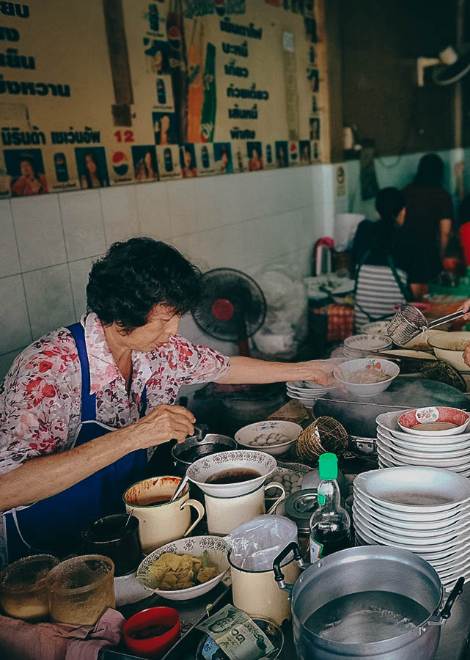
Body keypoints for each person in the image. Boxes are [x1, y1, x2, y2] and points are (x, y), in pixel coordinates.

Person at [0, 238, 332, 563]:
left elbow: (225, 367)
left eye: (176, 318)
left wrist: (309, 369)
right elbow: (7, 489)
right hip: (45, 556)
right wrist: (134, 436)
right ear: (121, 313)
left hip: (123, 536)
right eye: (163, 320)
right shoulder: (48, 369)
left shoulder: (158, 351)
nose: (173, 331)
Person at [352, 187, 413, 331]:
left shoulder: (363, 230)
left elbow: (352, 267)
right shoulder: (407, 239)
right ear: (403, 211)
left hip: (363, 327)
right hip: (395, 330)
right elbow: (418, 291)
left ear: (377, 210)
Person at [402, 153, 453, 297]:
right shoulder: (442, 196)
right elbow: (445, 232)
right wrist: (441, 256)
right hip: (428, 252)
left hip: (405, 250)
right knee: (430, 296)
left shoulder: (406, 191)